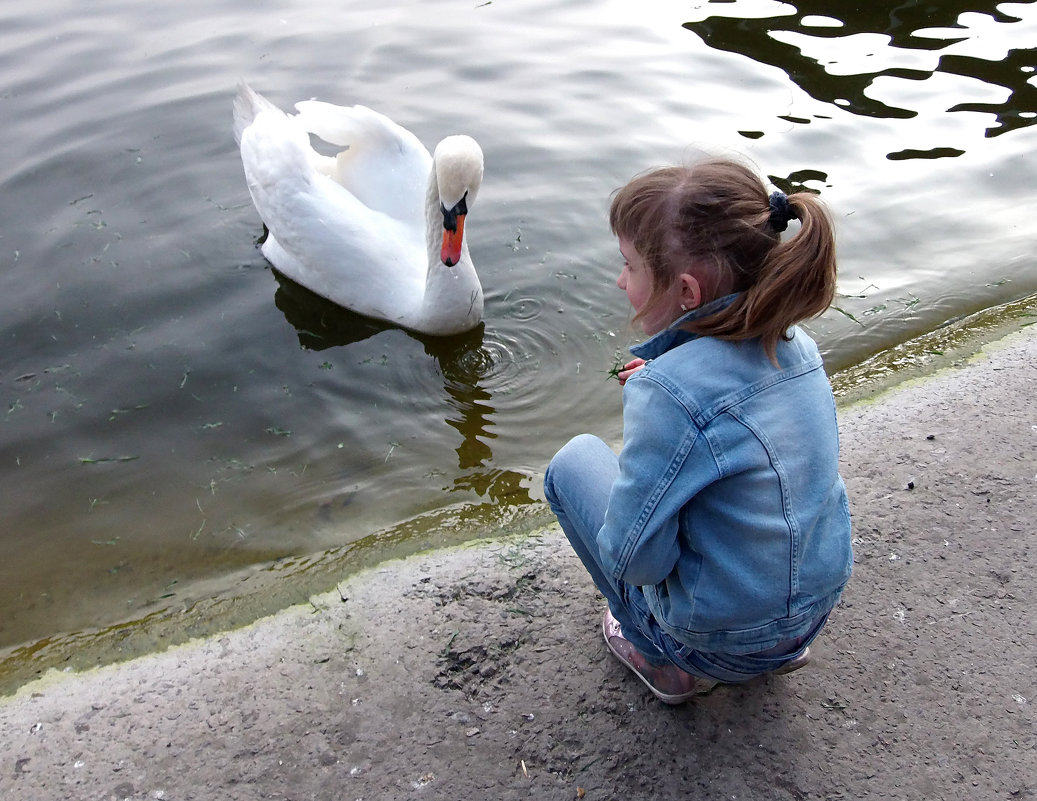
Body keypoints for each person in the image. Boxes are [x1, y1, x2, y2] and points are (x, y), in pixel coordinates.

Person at [543, 157, 853, 704]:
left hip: (718, 644)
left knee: (572, 463)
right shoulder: (799, 348)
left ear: (686, 291)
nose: (620, 281)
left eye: (630, 266)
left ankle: (661, 661)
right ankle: (776, 644)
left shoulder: (668, 396)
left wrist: (660, 399)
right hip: (812, 613)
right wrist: (670, 384)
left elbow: (637, 561)